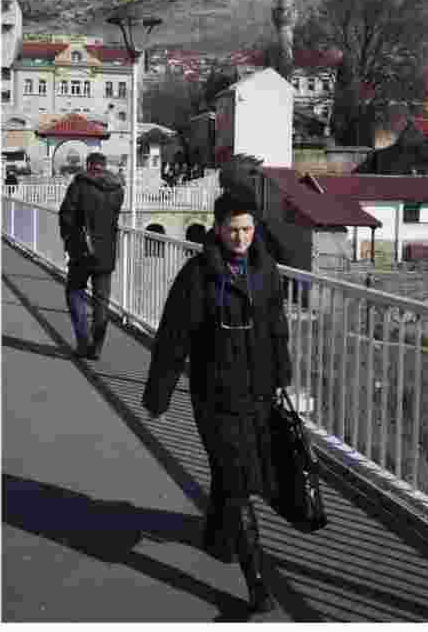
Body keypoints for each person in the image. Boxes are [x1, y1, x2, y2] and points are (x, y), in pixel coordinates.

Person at [141, 190, 292, 614]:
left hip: (260, 392)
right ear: (218, 228)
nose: (241, 237)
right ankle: (257, 582)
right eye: (232, 229)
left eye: (247, 229)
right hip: (216, 394)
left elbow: (278, 327)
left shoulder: (266, 270)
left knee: (233, 475)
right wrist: (160, 392)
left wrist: (283, 377)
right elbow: (174, 336)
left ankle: (216, 536)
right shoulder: (198, 274)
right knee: (239, 478)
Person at [59, 152, 124, 360]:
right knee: (101, 301)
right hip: (106, 252)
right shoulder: (117, 189)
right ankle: (96, 347)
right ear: (104, 166)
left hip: (82, 251)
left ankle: (83, 341)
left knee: (74, 292)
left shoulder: (79, 185)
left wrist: (70, 244)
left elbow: (66, 216)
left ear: (88, 165)